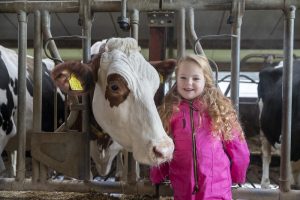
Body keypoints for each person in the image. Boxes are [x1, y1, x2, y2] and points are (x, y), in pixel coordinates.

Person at [150, 54, 250, 200]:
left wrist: (237, 176)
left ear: (206, 80)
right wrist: (157, 176)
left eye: (195, 78)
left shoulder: (219, 111)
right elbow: (161, 148)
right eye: (183, 78)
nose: (188, 83)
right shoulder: (170, 112)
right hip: (183, 190)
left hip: (217, 190)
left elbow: (239, 149)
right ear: (176, 80)